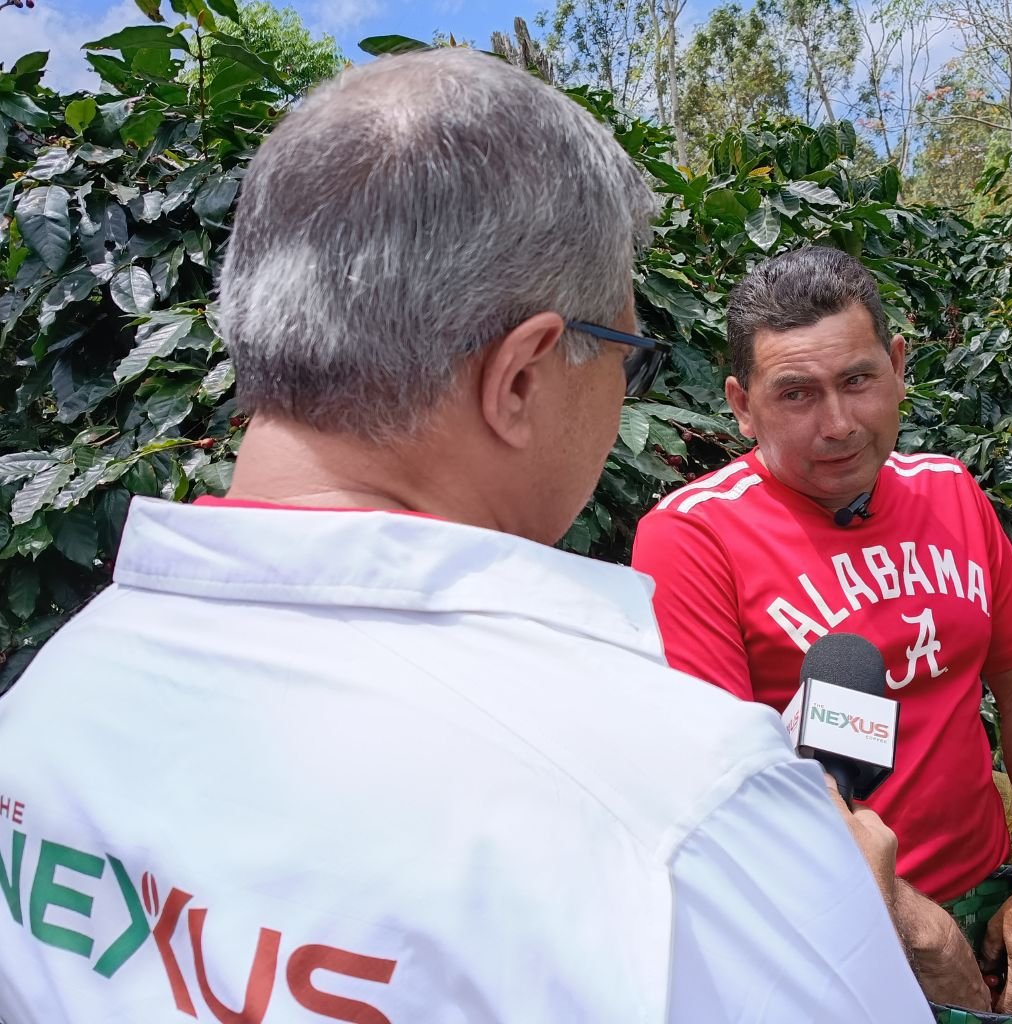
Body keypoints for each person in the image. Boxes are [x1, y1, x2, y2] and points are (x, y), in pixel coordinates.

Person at [0, 54, 931, 1024]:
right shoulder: (685, 818)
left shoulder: (46, 705)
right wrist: (830, 927)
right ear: (522, 376)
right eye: (626, 352)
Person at [632, 244, 1012, 1013]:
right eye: (796, 395)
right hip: (834, 926)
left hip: (989, 891)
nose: (838, 424)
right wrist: (913, 928)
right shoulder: (692, 539)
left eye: (858, 380)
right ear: (741, 405)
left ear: (898, 366)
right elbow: (727, 791)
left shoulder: (951, 493)